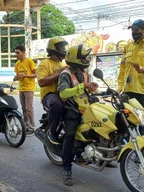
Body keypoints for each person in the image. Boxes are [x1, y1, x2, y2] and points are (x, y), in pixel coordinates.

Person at [57, 45, 98, 186]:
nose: (86, 59)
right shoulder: (66, 74)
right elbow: (63, 93)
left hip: (86, 106)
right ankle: (67, 168)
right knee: (70, 134)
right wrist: (83, 87)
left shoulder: (85, 72)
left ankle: (103, 155)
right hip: (71, 108)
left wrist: (92, 87)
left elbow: (86, 89)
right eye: (84, 57)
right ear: (76, 59)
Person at [37, 36, 69, 145]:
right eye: (61, 47)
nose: (64, 50)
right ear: (54, 49)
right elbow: (41, 82)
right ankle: (52, 131)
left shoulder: (64, 64)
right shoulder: (44, 64)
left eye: (64, 47)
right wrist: (58, 73)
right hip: (49, 96)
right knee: (57, 104)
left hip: (63, 94)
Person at [14, 44, 37, 136]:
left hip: (29, 88)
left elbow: (36, 75)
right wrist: (16, 78)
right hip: (21, 88)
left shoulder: (29, 62)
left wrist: (26, 75)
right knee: (24, 108)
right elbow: (18, 75)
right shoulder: (17, 64)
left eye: (18, 52)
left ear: (23, 52)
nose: (16, 54)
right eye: (15, 53)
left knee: (29, 108)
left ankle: (32, 127)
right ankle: (26, 126)